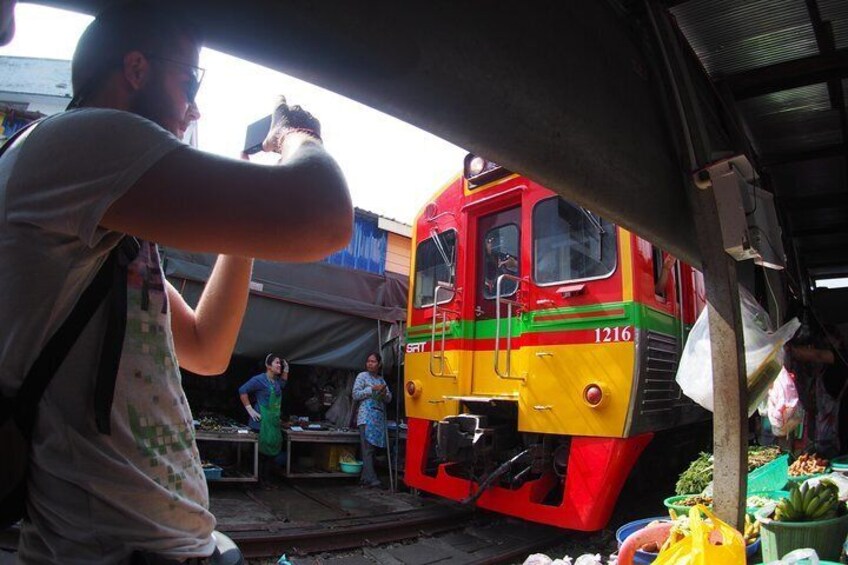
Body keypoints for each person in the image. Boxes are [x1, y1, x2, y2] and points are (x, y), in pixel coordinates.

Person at [0, 2, 351, 562]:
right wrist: (298, 137)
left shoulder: (108, 228)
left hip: (168, 544)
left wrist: (245, 220)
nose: (193, 107)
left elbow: (207, 349)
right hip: (109, 552)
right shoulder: (77, 142)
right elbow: (326, 215)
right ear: (135, 69)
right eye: (188, 80)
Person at [239, 354, 288, 478]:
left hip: (272, 423)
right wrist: (250, 410)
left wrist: (286, 370)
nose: (279, 365)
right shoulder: (259, 379)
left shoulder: (276, 382)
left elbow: (283, 383)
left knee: (270, 455)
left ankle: (266, 481)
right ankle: (258, 482)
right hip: (259, 423)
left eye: (280, 363)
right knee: (260, 455)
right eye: (277, 363)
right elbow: (242, 390)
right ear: (268, 366)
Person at [352, 353, 392, 488]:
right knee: (367, 449)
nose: (370, 364)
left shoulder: (381, 380)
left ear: (379, 364)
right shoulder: (362, 376)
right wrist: (371, 389)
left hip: (378, 418)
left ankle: (365, 478)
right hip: (366, 417)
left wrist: (384, 393)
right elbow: (355, 394)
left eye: (373, 361)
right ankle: (372, 478)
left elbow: (389, 399)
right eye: (368, 361)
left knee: (371, 449)